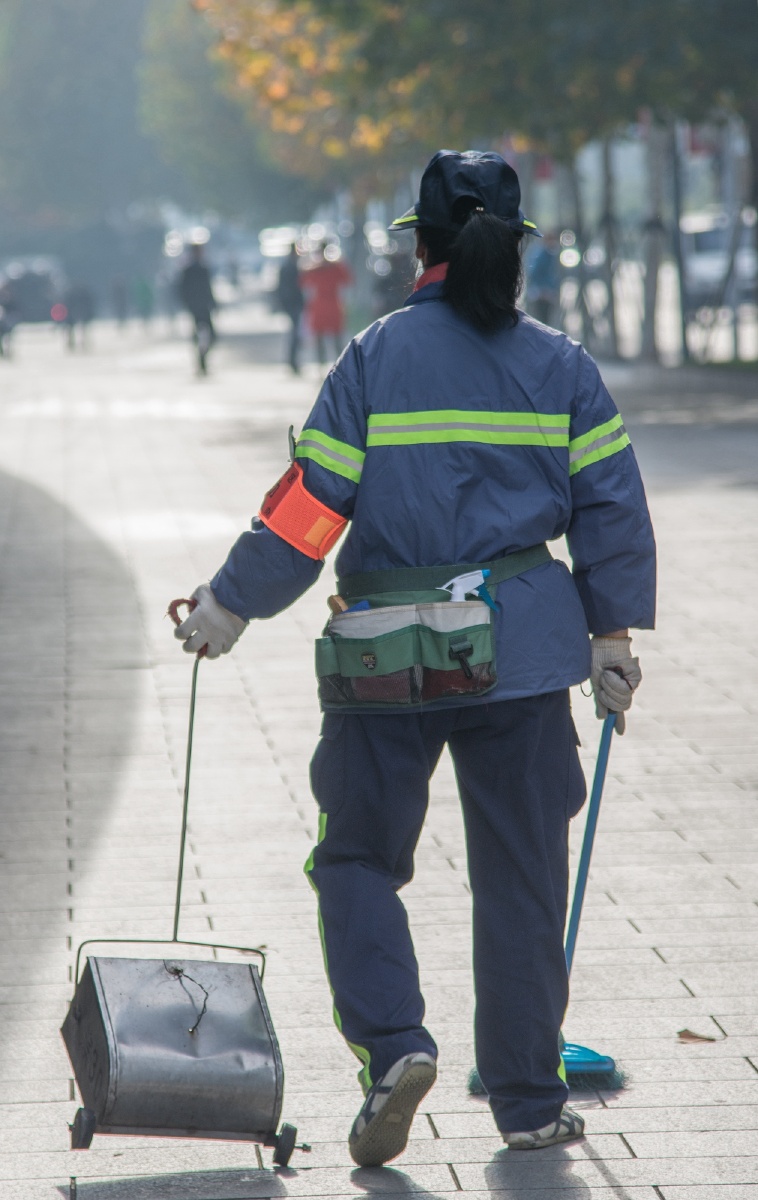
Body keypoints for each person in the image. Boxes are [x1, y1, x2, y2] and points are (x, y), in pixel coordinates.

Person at [172, 149, 655, 1168]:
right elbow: (611, 505)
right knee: (521, 880)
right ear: (513, 251)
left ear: (419, 249)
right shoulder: (559, 364)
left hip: (388, 657)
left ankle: (395, 1046)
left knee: (354, 859)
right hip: (521, 655)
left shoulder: (376, 357)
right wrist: (609, 634)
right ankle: (527, 1102)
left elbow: (308, 511)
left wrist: (227, 606)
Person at [301, 243, 353, 365]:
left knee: (334, 339)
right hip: (326, 305)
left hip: (327, 305)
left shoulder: (332, 268)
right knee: (325, 339)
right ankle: (329, 365)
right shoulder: (320, 269)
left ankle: (339, 365)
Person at [178, 244, 217, 374]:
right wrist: (188, 304)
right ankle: (201, 361)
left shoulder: (204, 267)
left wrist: (213, 303)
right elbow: (182, 289)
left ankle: (202, 357)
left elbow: (208, 288)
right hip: (196, 307)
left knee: (211, 336)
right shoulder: (188, 270)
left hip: (204, 306)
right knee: (200, 334)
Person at [275, 244, 305, 373]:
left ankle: (293, 360)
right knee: (296, 333)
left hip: (290, 304)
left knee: (295, 333)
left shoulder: (286, 266)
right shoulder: (292, 268)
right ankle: (293, 361)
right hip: (294, 304)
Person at [527, 231, 561, 326]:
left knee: (545, 320)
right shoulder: (542, 254)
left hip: (546, 293)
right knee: (542, 321)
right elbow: (534, 273)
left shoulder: (548, 253)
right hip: (542, 294)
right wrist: (543, 290)